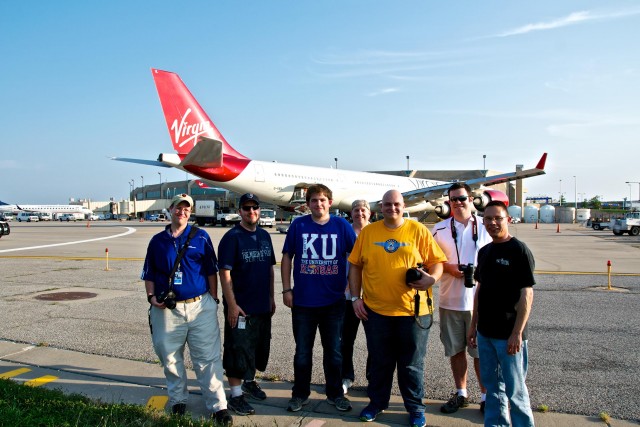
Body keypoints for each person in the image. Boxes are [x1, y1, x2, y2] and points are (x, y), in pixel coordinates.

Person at [349, 190, 447, 427]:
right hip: (376, 311)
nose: (392, 208)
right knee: (380, 362)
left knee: (412, 364)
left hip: (413, 312)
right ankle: (377, 403)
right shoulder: (369, 232)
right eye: (387, 204)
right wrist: (355, 297)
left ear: (404, 207)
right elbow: (355, 266)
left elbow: (437, 263)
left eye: (396, 204)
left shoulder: (418, 230)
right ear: (380, 207)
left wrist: (431, 279)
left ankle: (414, 408)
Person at [142, 193, 232, 426]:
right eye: (178, 208)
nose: (182, 212)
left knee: (208, 358)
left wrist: (213, 299)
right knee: (170, 357)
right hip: (167, 310)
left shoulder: (201, 237)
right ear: (170, 209)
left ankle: (218, 405)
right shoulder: (157, 241)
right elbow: (149, 274)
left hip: (199, 306)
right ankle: (178, 399)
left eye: (187, 209)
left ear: (190, 213)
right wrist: (151, 297)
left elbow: (211, 270)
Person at [281, 184, 357, 413]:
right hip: (303, 302)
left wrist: (349, 285)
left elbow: (355, 258)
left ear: (330, 203)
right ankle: (299, 394)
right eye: (314, 200)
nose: (318, 204)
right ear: (308, 203)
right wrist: (286, 290)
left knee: (334, 352)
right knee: (303, 352)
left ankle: (335, 394)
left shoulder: (342, 225)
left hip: (333, 303)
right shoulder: (299, 225)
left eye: (322, 200)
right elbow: (286, 257)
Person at [468, 200, 536, 427]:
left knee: (515, 390)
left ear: (508, 219)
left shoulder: (519, 250)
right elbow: (480, 290)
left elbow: (527, 294)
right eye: (488, 219)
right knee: (493, 388)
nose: (493, 223)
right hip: (485, 334)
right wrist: (473, 325)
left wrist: (517, 333)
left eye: (498, 218)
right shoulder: (485, 252)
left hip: (509, 336)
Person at [431, 183, 491, 414]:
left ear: (471, 198)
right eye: (453, 199)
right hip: (450, 301)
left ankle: (486, 397)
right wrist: (449, 267)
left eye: (462, 198)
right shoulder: (439, 228)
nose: (458, 203)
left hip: (480, 302)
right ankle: (461, 393)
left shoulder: (486, 225)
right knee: (456, 350)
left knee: (480, 353)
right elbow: (429, 260)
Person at [218, 193, 276, 416]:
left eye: (255, 207)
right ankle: (235, 396)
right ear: (240, 211)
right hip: (241, 308)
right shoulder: (232, 237)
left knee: (257, 348)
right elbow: (224, 272)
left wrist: (271, 297)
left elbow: (270, 269)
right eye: (246, 208)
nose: (251, 211)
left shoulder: (264, 235)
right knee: (237, 350)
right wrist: (232, 305)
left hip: (262, 305)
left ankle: (249, 382)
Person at [341, 199, 371, 395]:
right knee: (345, 339)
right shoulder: (345, 232)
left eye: (363, 210)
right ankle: (346, 376)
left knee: (375, 342)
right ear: (351, 213)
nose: (359, 213)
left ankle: (373, 379)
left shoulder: (375, 232)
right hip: (347, 296)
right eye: (356, 210)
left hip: (371, 296)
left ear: (369, 213)